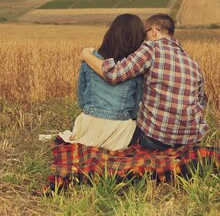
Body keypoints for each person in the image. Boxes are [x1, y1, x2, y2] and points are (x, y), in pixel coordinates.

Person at [81, 13, 208, 150]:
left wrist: (86, 55)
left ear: (153, 31)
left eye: (144, 33)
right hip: (190, 141)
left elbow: (114, 75)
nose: (142, 38)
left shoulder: (150, 49)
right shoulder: (193, 64)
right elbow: (201, 101)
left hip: (156, 141)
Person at [65, 14, 145, 151]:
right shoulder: (135, 68)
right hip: (120, 134)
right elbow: (135, 111)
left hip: (88, 127)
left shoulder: (90, 60)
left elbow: (82, 101)